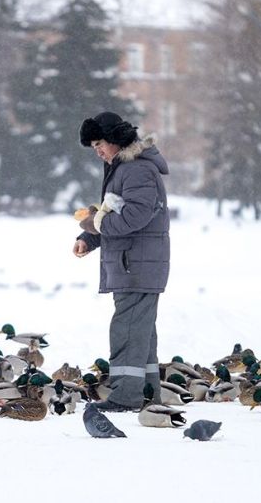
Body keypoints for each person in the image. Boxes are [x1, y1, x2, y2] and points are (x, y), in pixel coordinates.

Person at [73, 111, 170, 412]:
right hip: (135, 263)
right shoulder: (123, 169)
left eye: (100, 143)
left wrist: (98, 223)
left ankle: (126, 397)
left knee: (127, 329)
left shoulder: (136, 170)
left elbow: (134, 217)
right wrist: (90, 236)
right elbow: (112, 214)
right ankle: (146, 392)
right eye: (93, 147)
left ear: (116, 138)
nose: (98, 151)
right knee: (140, 332)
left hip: (136, 265)